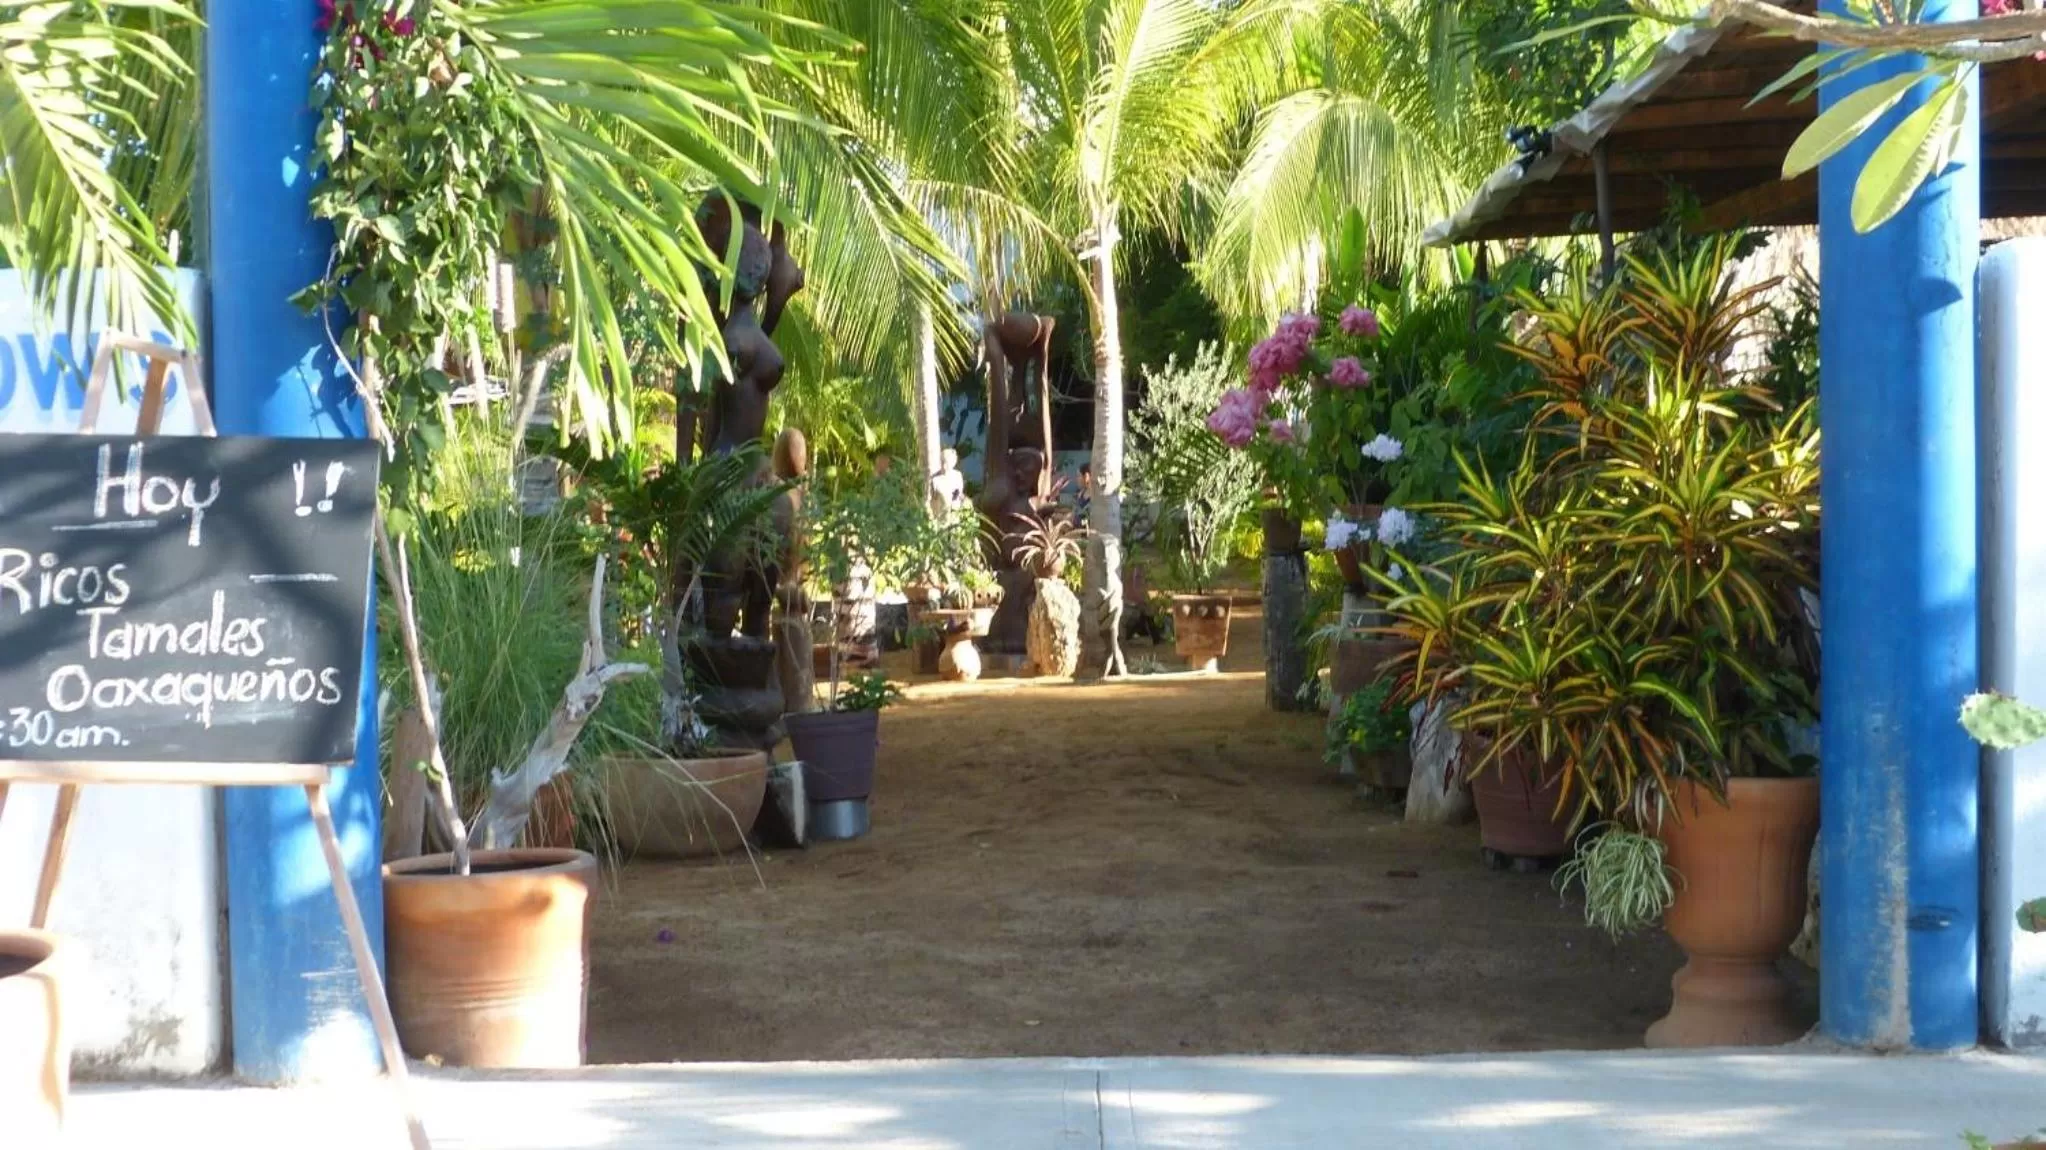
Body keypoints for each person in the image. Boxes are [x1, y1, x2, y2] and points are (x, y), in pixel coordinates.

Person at [930, 446, 968, 512]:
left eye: (947, 463)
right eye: (942, 462)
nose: (944, 466)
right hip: (941, 514)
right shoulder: (935, 479)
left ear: (953, 463)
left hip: (956, 512)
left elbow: (960, 493)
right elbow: (933, 500)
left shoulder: (958, 476)